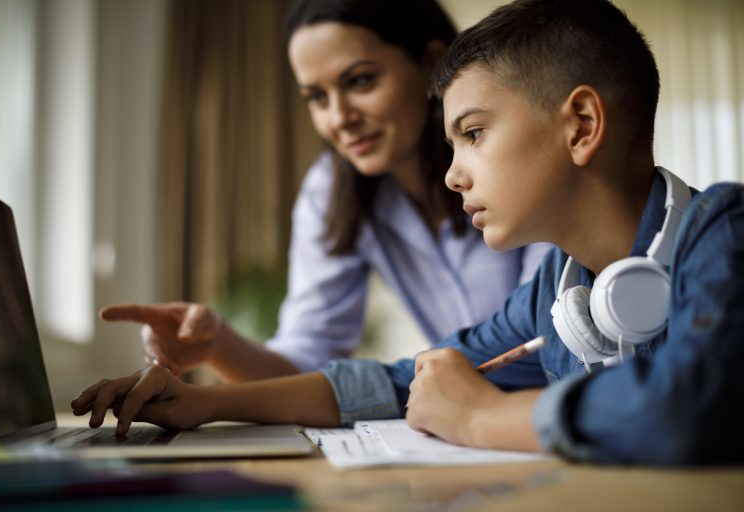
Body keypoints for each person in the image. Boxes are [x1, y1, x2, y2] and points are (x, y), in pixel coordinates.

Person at [72, 0, 744, 465]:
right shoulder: (556, 290)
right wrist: (205, 404)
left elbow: (681, 407)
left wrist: (478, 417)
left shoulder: (723, 233)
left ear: (580, 126)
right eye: (315, 97)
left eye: (474, 135)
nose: (455, 176)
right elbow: (409, 380)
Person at [99, 0, 550, 382]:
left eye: (360, 81)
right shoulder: (331, 189)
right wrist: (217, 343)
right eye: (316, 97)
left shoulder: (512, 157)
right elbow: (308, 353)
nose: (339, 117)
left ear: (431, 63)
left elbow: (539, 335)